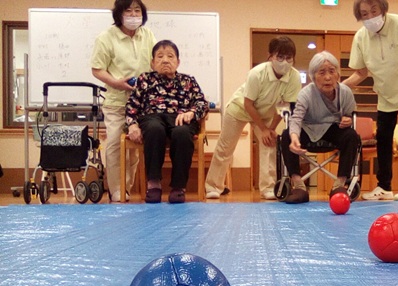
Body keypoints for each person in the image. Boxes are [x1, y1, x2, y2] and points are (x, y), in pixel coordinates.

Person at [343, 0, 398, 201]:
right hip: (385, 95)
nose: (370, 17)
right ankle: (384, 187)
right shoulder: (361, 37)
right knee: (382, 138)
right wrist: (340, 87)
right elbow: (361, 72)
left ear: (383, 9)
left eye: (374, 11)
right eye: (364, 14)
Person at [205, 36, 302, 200]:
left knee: (269, 144)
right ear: (270, 56)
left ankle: (268, 187)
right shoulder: (256, 74)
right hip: (239, 109)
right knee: (225, 147)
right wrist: (263, 129)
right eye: (280, 57)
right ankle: (213, 186)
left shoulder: (294, 76)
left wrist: (270, 130)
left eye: (288, 58)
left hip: (266, 114)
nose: (284, 62)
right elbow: (248, 104)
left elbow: (284, 106)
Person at [125, 40, 209, 204]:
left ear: (178, 62)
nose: (165, 60)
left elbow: (202, 103)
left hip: (180, 118)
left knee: (182, 133)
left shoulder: (188, 81)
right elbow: (131, 105)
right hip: (152, 117)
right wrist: (132, 124)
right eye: (160, 56)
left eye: (170, 56)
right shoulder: (144, 79)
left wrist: (191, 112)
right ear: (152, 62)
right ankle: (153, 184)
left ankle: (179, 187)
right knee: (155, 129)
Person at [91, 0, 156, 202]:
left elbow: (155, 63)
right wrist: (116, 83)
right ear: (119, 14)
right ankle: (117, 190)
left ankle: (126, 187)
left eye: (137, 10)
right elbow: (97, 69)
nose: (134, 15)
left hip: (143, 103)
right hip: (117, 101)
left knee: (135, 147)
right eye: (128, 11)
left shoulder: (148, 35)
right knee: (114, 144)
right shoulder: (106, 38)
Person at [280, 51, 358, 204]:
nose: (328, 77)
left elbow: (349, 114)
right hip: (309, 129)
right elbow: (296, 119)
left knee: (351, 136)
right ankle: (298, 185)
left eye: (332, 71)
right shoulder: (306, 94)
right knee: (286, 135)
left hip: (332, 129)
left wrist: (347, 119)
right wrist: (294, 138)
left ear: (338, 74)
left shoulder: (346, 93)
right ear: (313, 77)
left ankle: (339, 185)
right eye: (322, 72)